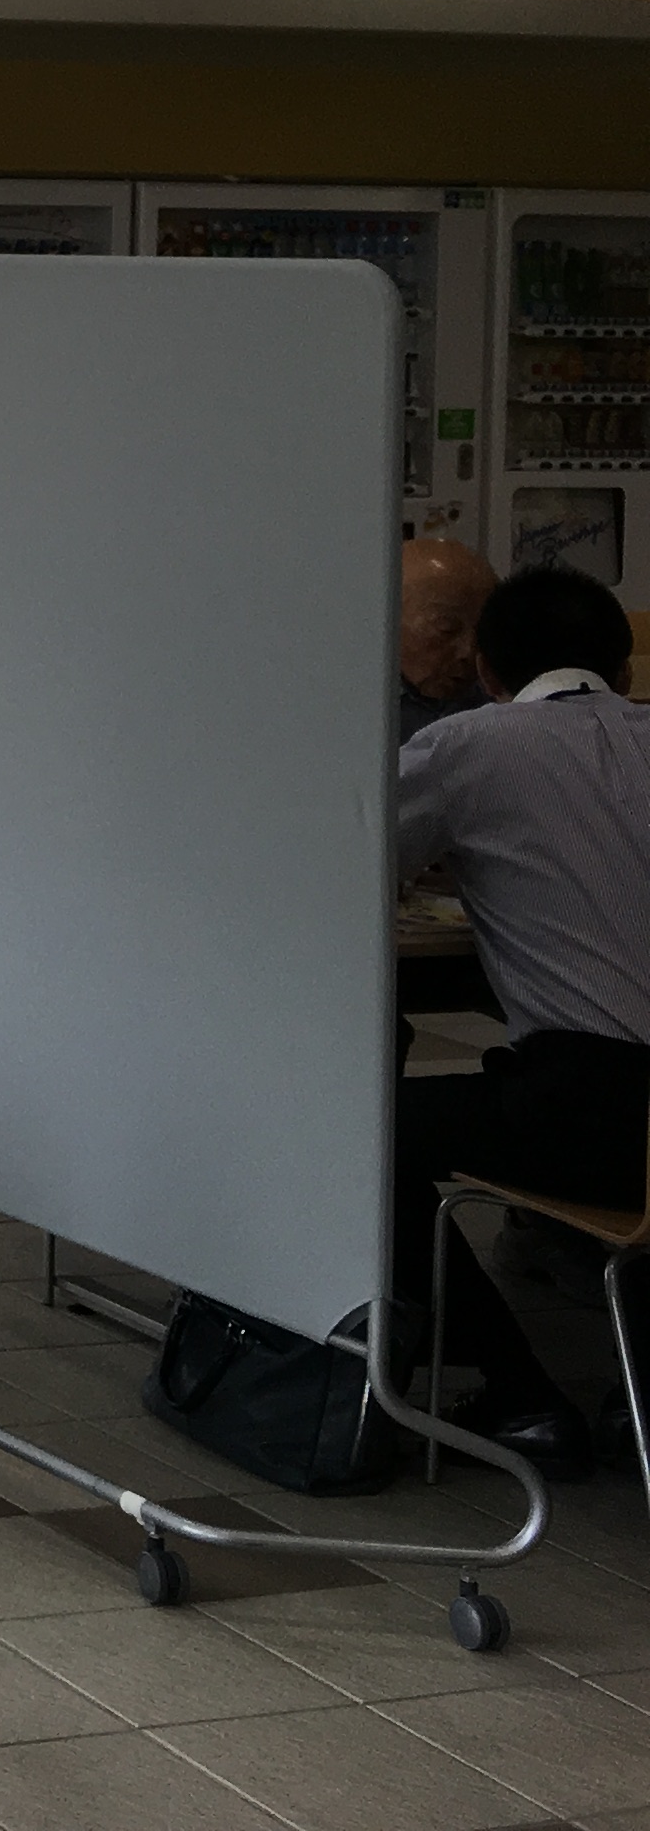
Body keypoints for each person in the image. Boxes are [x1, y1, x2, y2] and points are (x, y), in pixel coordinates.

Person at [392, 564, 650, 1478]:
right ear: (624, 670)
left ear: (487, 671)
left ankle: (518, 1395)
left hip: (599, 1108)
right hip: (627, 1121)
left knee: (359, 1135)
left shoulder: (467, 746)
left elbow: (344, 867)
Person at [401, 537, 496, 745]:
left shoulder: (500, 703)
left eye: (482, 632)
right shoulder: (350, 698)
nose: (468, 652)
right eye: (446, 629)